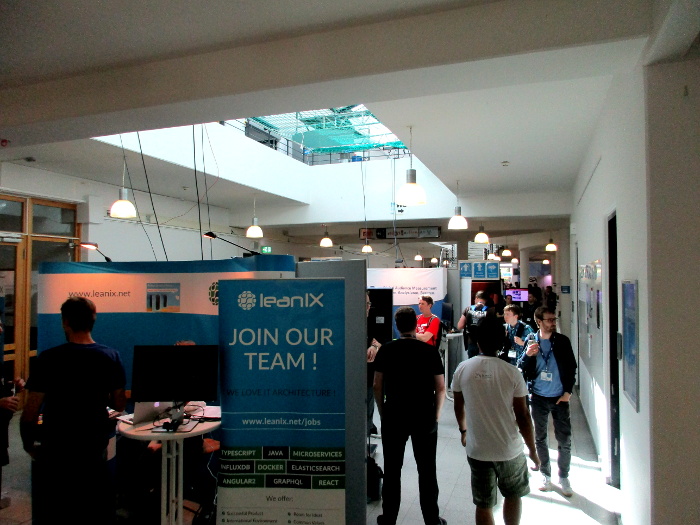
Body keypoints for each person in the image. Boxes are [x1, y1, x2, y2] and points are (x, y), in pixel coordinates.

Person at [21, 297, 127, 524]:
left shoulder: (48, 358)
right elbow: (119, 404)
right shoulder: (111, 356)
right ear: (93, 321)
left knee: (57, 510)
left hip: (55, 448)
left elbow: (30, 411)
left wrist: (28, 445)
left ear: (65, 322)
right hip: (93, 446)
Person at [452, 314, 540, 525]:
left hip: (478, 449)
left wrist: (464, 431)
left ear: (477, 340)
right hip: (509, 449)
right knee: (513, 495)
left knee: (483, 504)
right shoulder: (512, 373)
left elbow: (458, 406)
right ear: (502, 341)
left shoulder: (463, 369)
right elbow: (523, 416)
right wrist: (532, 450)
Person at [373, 306, 446, 525]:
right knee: (427, 470)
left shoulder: (386, 350)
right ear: (416, 325)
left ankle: (389, 518)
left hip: (394, 415)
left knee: (392, 470)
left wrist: (383, 411)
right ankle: (431, 519)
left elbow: (377, 385)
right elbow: (441, 387)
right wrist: (436, 415)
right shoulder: (429, 351)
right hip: (423, 415)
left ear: (396, 326)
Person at [517, 306, 577, 497]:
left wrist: (568, 392)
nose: (553, 323)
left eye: (554, 319)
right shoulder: (531, 339)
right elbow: (521, 366)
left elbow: (571, 367)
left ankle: (564, 476)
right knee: (540, 438)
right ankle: (545, 474)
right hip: (538, 397)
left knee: (564, 439)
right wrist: (528, 355)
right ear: (539, 322)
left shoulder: (562, 341)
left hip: (560, 397)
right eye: (549, 320)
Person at [365, 293, 381, 437]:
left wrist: (374, 347)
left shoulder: (370, 322)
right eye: (366, 304)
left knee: (369, 404)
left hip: (369, 375)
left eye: (369, 304)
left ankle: (368, 428)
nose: (368, 307)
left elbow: (377, 342)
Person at [457, 291, 489, 358]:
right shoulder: (489, 310)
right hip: (485, 343)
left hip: (471, 342)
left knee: (472, 362)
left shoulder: (468, 309)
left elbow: (460, 326)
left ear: (476, 298)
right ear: (486, 300)